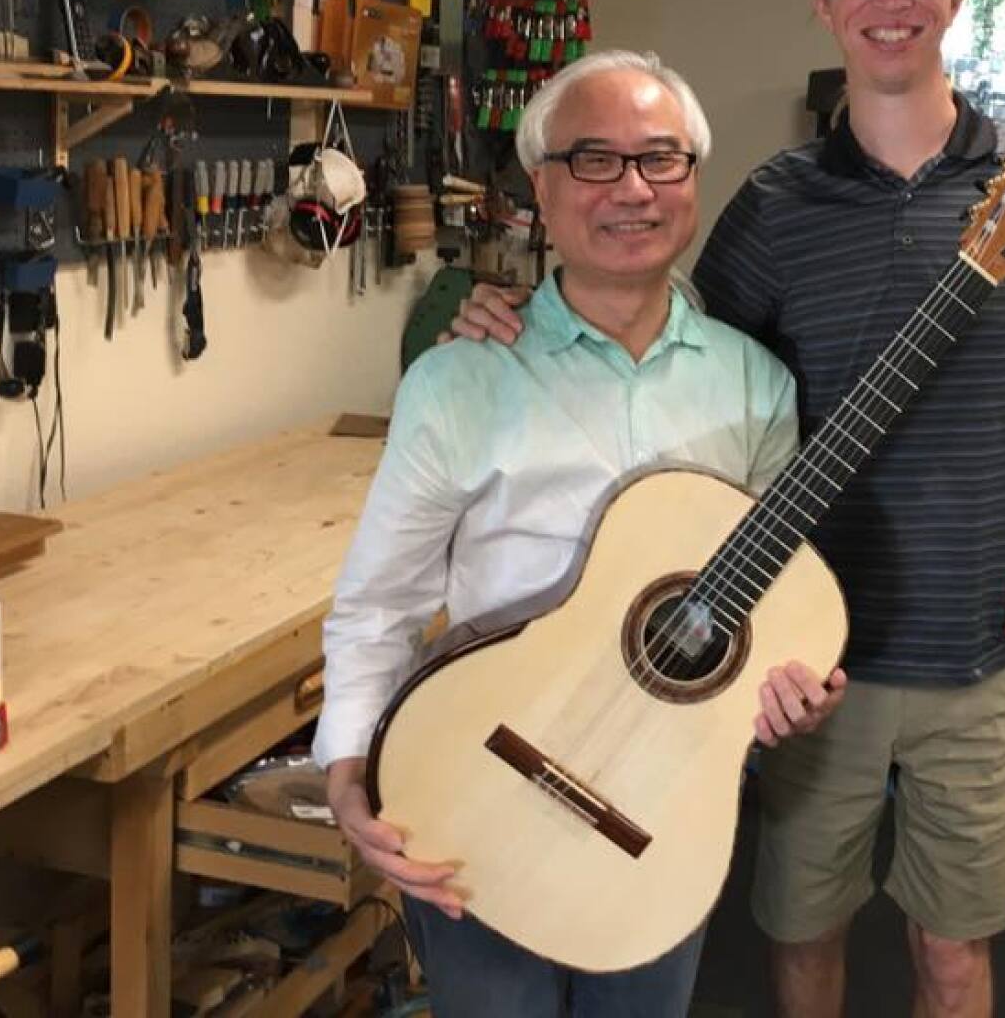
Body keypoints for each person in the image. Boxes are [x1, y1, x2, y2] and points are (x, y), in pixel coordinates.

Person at [446, 0, 1005, 1018]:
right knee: (801, 938)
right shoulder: (773, 202)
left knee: (953, 955)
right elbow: (668, 357)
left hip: (981, 649)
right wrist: (515, 316)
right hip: (795, 659)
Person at [314, 50, 847, 1018]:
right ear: (540, 190)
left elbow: (772, 609)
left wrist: (793, 689)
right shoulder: (459, 377)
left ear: (693, 180)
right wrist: (349, 776)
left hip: (663, 810)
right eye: (593, 160)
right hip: (482, 782)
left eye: (661, 160)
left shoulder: (753, 385)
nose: (632, 189)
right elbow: (379, 605)